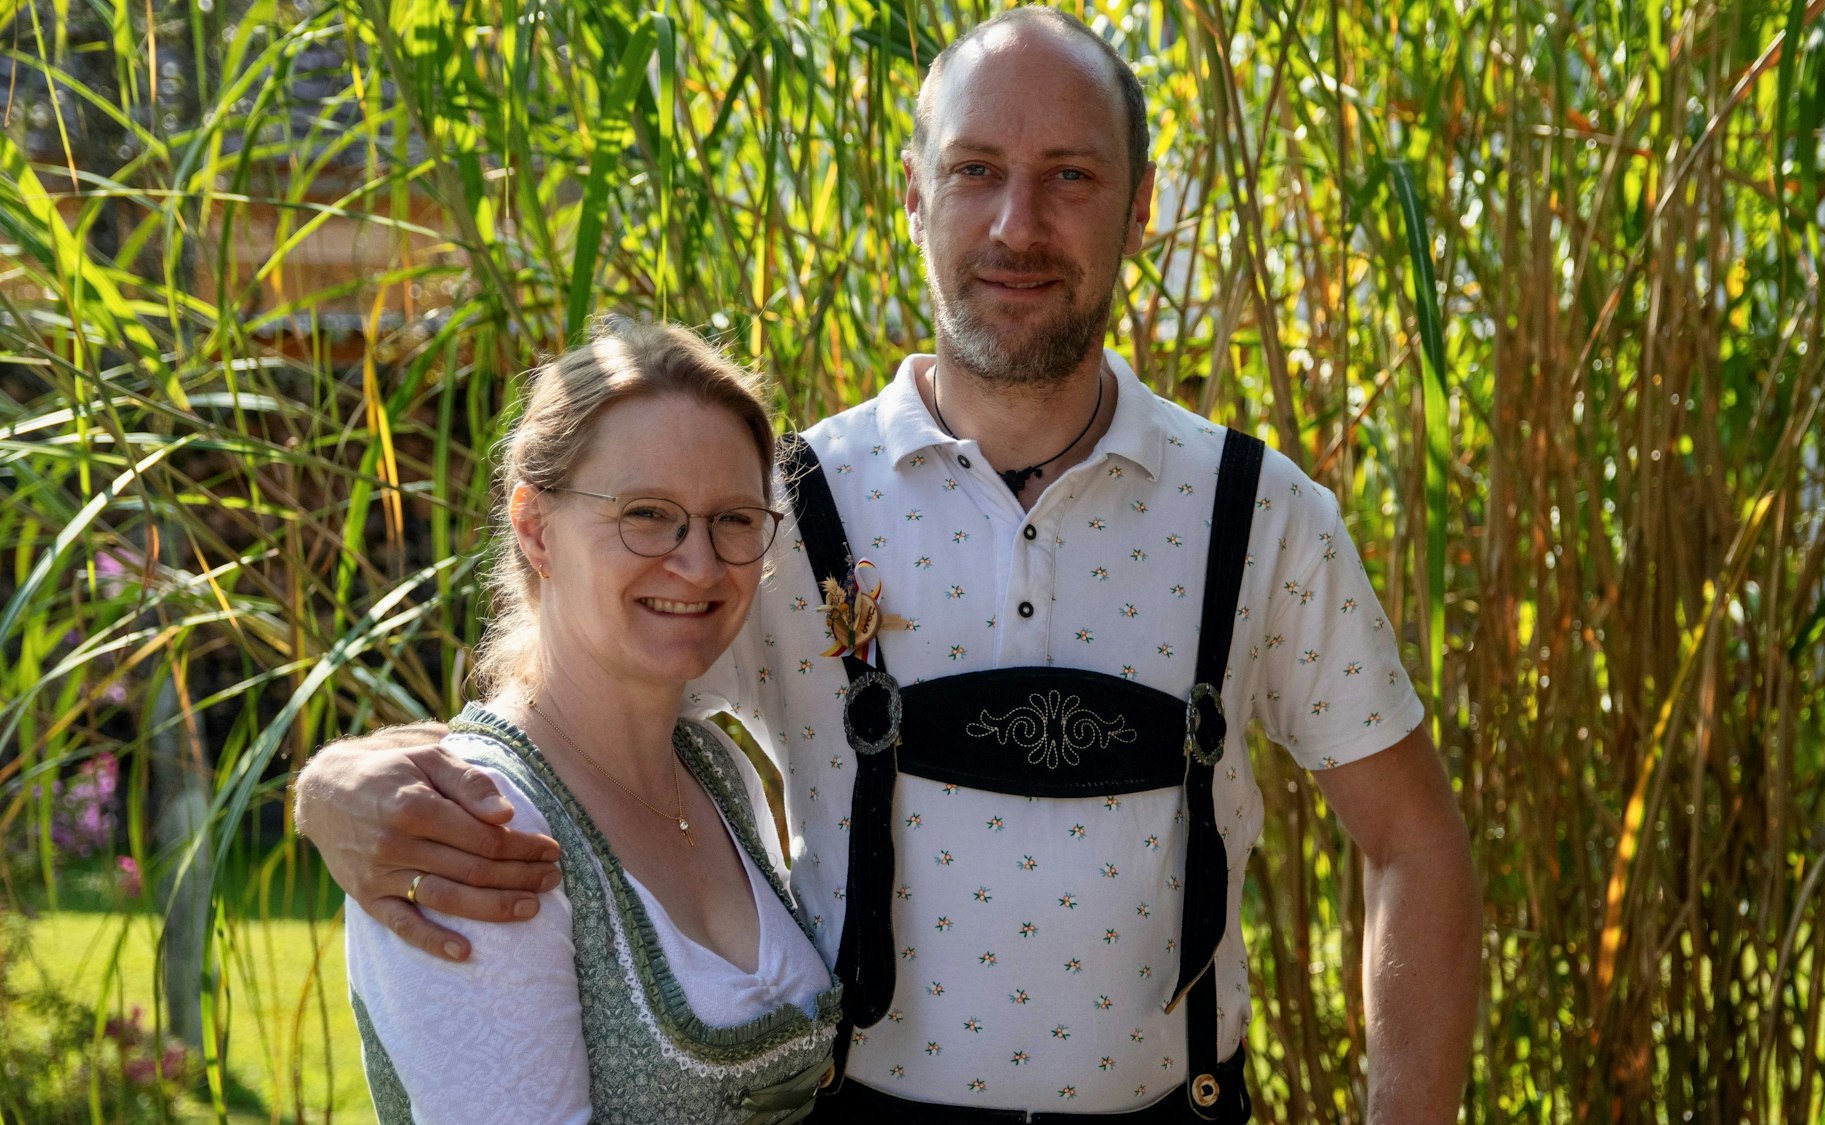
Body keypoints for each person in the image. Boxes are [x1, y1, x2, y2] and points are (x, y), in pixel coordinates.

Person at [297, 10, 1478, 1122]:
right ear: (911, 193)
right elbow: (575, 699)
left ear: (1141, 210)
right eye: (974, 170)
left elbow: (1414, 845)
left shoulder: (1260, 515)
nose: (1018, 225)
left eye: (1070, 175)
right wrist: (341, 784)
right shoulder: (775, 514)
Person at [340, 320, 841, 1124]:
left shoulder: (715, 767)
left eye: (735, 519)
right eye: (647, 512)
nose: (700, 564)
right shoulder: (474, 825)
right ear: (536, 527)